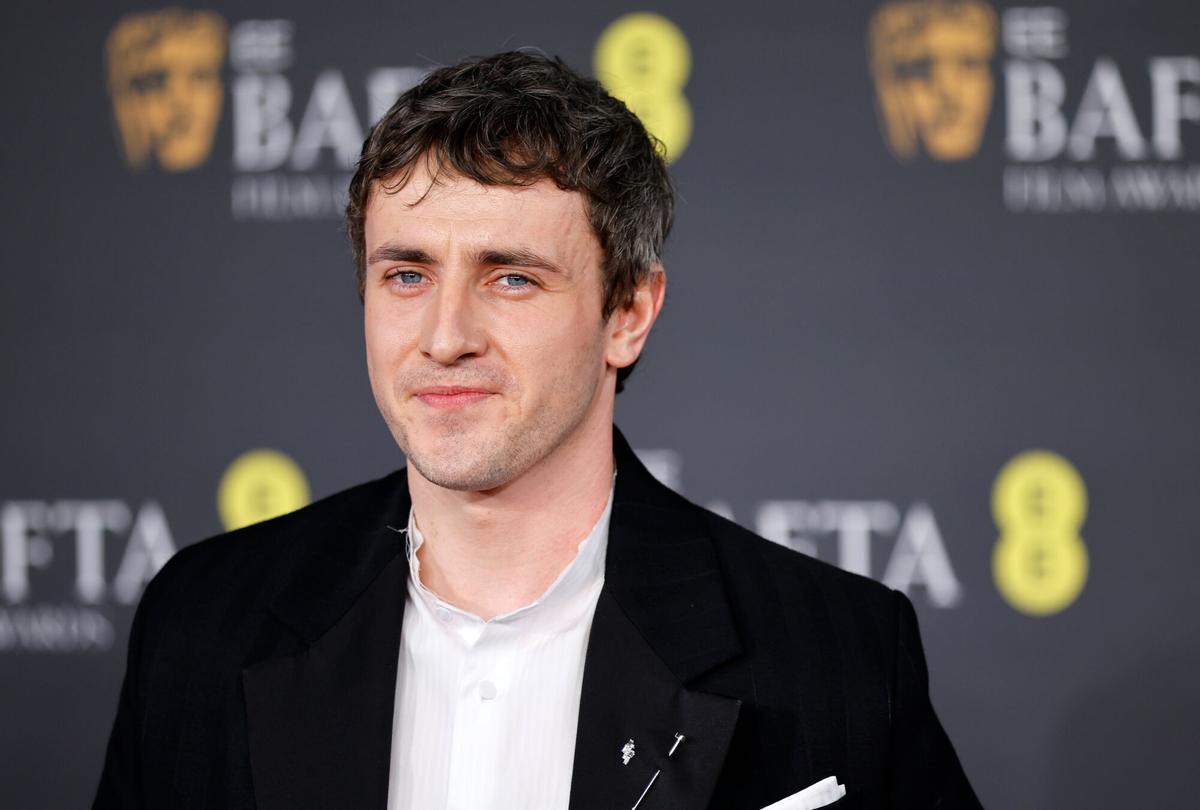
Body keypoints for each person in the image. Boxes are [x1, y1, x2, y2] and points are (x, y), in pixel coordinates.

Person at [94, 51, 981, 810]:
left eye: (510, 278)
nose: (445, 337)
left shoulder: (836, 653)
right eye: (406, 275)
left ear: (628, 313)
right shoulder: (203, 624)